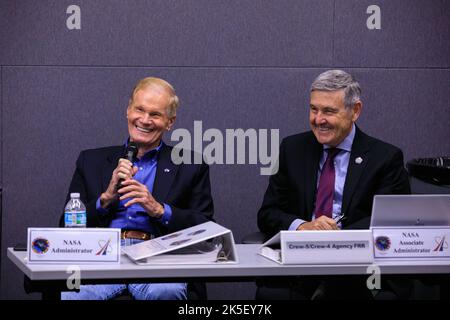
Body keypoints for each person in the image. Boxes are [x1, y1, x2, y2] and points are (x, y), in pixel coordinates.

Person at [257, 69, 411, 299]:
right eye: (313, 109)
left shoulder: (385, 158)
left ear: (355, 111)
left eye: (329, 111)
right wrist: (302, 226)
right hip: (300, 268)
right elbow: (267, 213)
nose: (318, 119)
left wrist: (334, 238)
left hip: (358, 272)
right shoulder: (292, 149)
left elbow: (392, 223)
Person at [60, 77, 214, 300]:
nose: (144, 120)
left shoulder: (190, 164)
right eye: (139, 109)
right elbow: (65, 225)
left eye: (155, 114)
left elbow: (206, 229)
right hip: (101, 255)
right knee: (75, 294)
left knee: (167, 292)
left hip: (157, 255)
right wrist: (105, 199)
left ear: (170, 122)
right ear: (128, 111)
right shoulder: (91, 160)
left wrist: (160, 210)